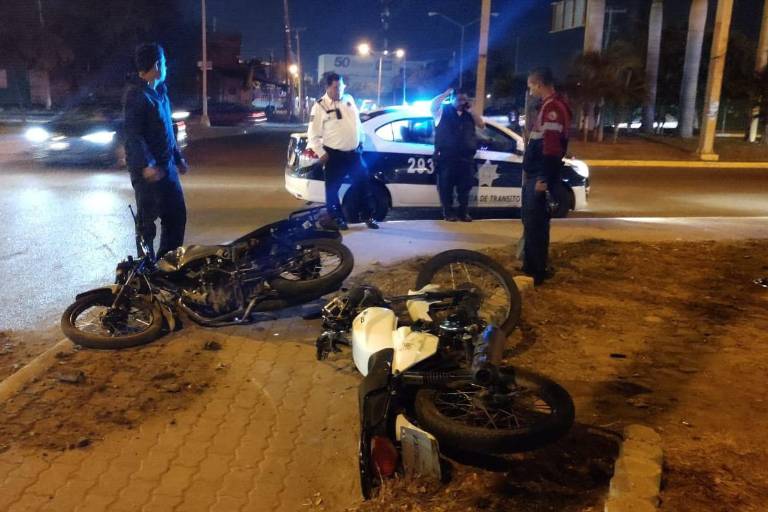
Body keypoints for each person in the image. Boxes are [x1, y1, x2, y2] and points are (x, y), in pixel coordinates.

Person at [124, 43, 189, 261]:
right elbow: (134, 136)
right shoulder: (136, 96)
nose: (167, 67)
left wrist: (178, 158)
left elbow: (168, 129)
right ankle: (147, 274)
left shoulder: (160, 93)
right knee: (146, 227)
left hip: (167, 168)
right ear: (157, 65)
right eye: (165, 63)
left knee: (177, 216)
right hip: (148, 174)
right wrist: (147, 166)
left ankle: (166, 264)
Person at [520, 67, 572, 285]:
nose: (530, 91)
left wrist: (542, 179)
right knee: (534, 223)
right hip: (538, 173)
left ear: (539, 84)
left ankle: (535, 272)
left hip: (539, 176)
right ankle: (532, 267)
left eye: (531, 86)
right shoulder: (551, 105)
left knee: (535, 224)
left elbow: (551, 148)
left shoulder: (552, 108)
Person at [307, 72, 378, 230]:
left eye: (341, 86)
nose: (339, 90)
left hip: (354, 154)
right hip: (334, 156)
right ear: (327, 87)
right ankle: (336, 218)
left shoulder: (349, 99)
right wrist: (321, 153)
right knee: (332, 190)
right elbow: (313, 134)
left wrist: (361, 141)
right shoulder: (320, 106)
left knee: (364, 185)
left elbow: (357, 123)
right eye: (336, 87)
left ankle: (368, 216)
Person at [430, 87, 484, 222]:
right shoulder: (443, 111)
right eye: (459, 99)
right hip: (447, 157)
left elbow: (481, 124)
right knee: (446, 187)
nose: (462, 102)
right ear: (452, 99)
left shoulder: (468, 115)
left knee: (465, 187)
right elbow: (433, 105)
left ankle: (463, 213)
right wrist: (445, 94)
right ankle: (448, 213)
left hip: (465, 158)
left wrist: (471, 111)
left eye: (465, 100)